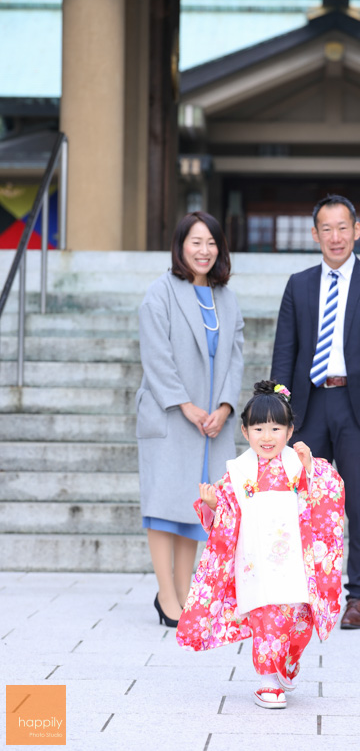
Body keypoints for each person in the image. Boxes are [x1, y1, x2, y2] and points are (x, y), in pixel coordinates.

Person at [270, 195, 360, 629]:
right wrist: (278, 413)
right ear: (315, 235)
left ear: (357, 231)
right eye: (326, 229)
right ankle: (304, 591)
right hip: (309, 406)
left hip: (357, 407)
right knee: (303, 503)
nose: (335, 236)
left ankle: (359, 597)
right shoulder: (299, 284)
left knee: (359, 503)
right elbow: (284, 354)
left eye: (343, 227)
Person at [176, 381, 344, 710]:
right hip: (256, 562)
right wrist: (211, 505)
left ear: (290, 430)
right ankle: (269, 681)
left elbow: (329, 495)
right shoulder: (238, 472)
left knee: (295, 619)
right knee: (267, 618)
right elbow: (222, 520)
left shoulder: (298, 465)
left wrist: (312, 468)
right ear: (244, 431)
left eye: (275, 428)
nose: (267, 437)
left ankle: (289, 660)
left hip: (294, 558)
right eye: (258, 428)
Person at [136, 211, 244, 628]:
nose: (204, 250)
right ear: (181, 246)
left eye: (212, 242)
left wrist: (224, 407)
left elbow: (235, 357)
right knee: (165, 508)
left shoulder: (227, 297)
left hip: (212, 421)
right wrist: (185, 405)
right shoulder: (160, 293)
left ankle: (185, 595)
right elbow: (155, 354)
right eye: (196, 242)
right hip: (171, 415)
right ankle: (167, 597)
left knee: (196, 510)